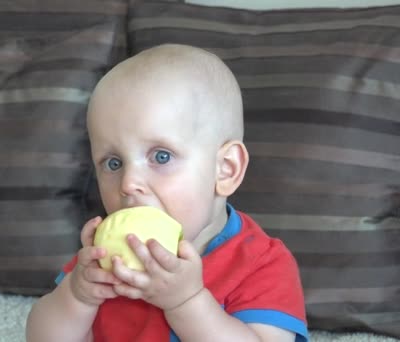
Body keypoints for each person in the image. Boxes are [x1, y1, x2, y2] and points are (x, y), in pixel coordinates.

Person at [26, 44, 308, 342]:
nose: (128, 182)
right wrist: (78, 295)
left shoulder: (262, 263)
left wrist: (186, 302)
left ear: (225, 168)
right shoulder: (104, 259)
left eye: (161, 157)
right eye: (113, 163)